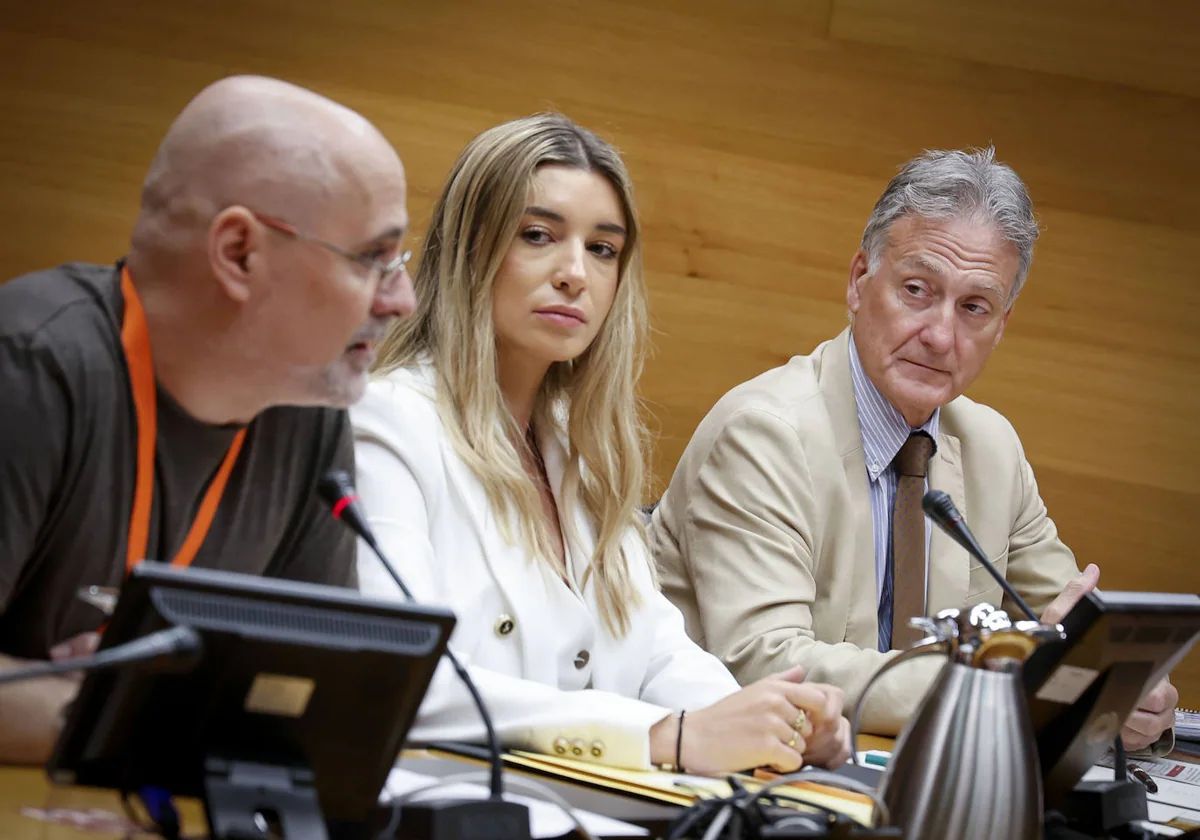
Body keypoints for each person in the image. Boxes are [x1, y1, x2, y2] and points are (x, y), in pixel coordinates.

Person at [352, 113, 851, 774]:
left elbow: (658, 652)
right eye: (538, 236)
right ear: (470, 247)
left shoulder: (583, 453)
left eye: (602, 249)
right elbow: (406, 682)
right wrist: (665, 737)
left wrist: (775, 723)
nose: (574, 274)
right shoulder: (386, 422)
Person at [649, 147, 1178, 749]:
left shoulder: (991, 449)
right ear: (858, 282)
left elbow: (1071, 627)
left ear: (1001, 325)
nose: (940, 335)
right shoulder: (763, 434)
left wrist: (1124, 685)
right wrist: (1002, 682)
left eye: (974, 307)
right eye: (917, 290)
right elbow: (764, 664)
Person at [0, 75, 415, 763]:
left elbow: (309, 702)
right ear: (239, 254)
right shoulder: (30, 368)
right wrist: (137, 713)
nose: (400, 298)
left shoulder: (307, 419)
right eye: (373, 258)